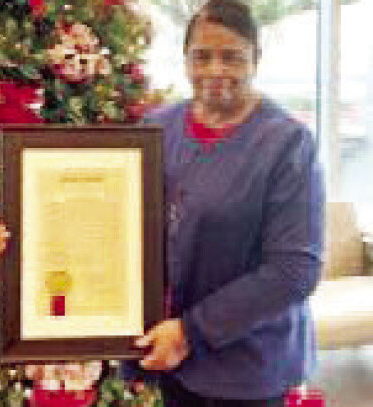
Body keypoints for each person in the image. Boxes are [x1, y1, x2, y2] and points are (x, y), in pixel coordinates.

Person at [126, 0, 325, 405]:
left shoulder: (287, 144)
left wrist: (190, 331)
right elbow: (120, 222)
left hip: (249, 371)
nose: (215, 70)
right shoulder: (155, 129)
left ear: (256, 59)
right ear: (185, 60)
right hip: (171, 359)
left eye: (232, 57)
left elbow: (295, 270)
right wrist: (21, 241)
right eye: (202, 57)